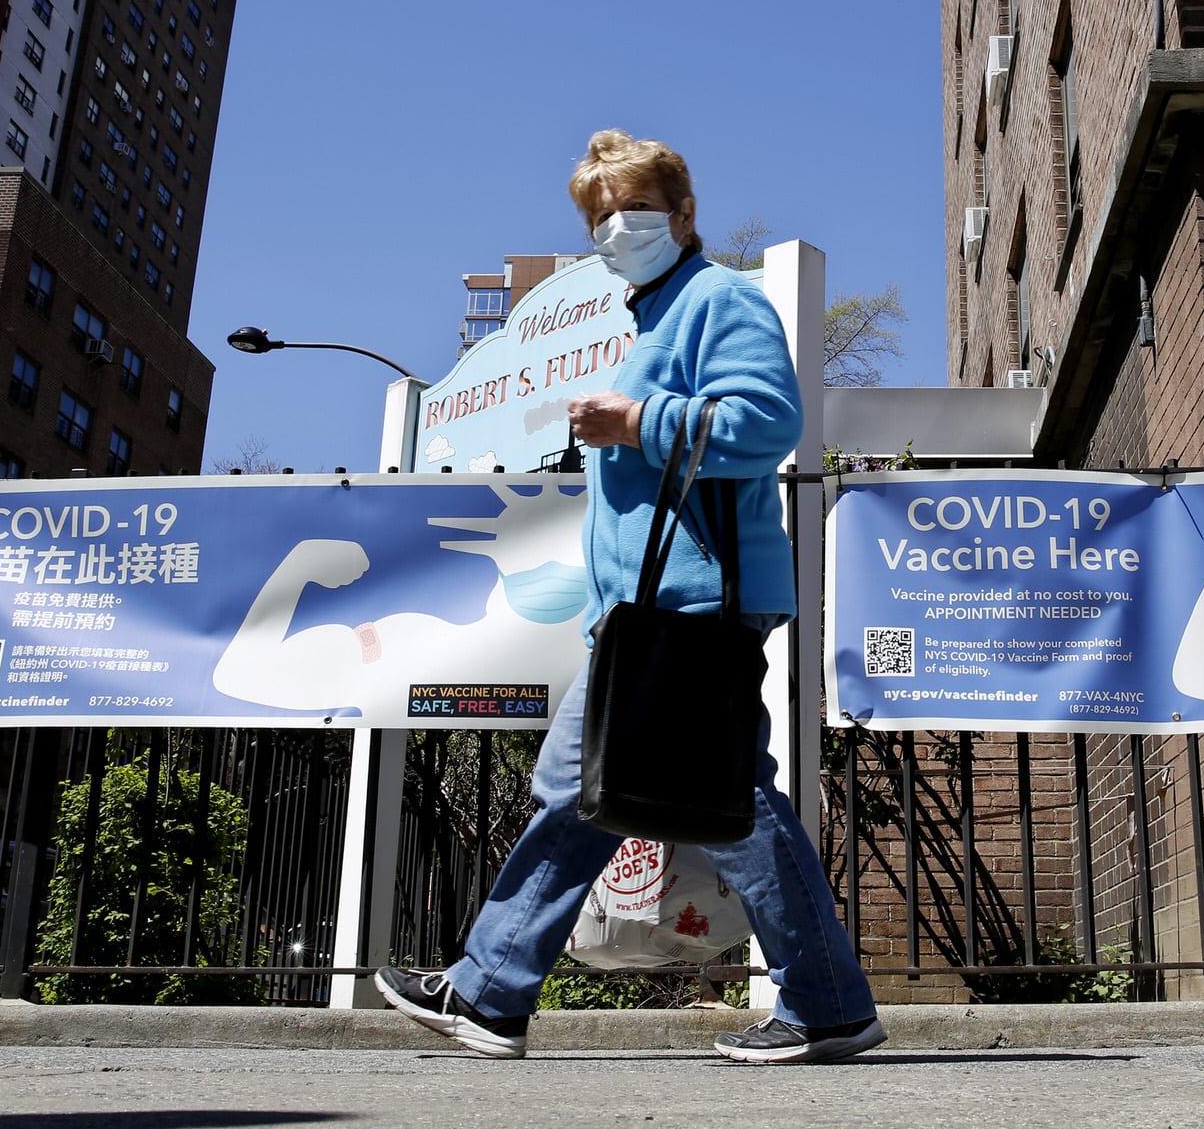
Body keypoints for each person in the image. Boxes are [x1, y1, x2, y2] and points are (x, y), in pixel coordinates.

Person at [374, 129, 884, 1065]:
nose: (618, 229)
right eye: (601, 217)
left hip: (695, 603)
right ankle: (491, 993)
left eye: (635, 211)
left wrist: (634, 420)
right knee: (588, 793)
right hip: (649, 609)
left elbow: (768, 421)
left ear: (685, 215)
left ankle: (823, 1001)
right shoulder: (656, 315)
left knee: (700, 796)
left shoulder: (718, 299)